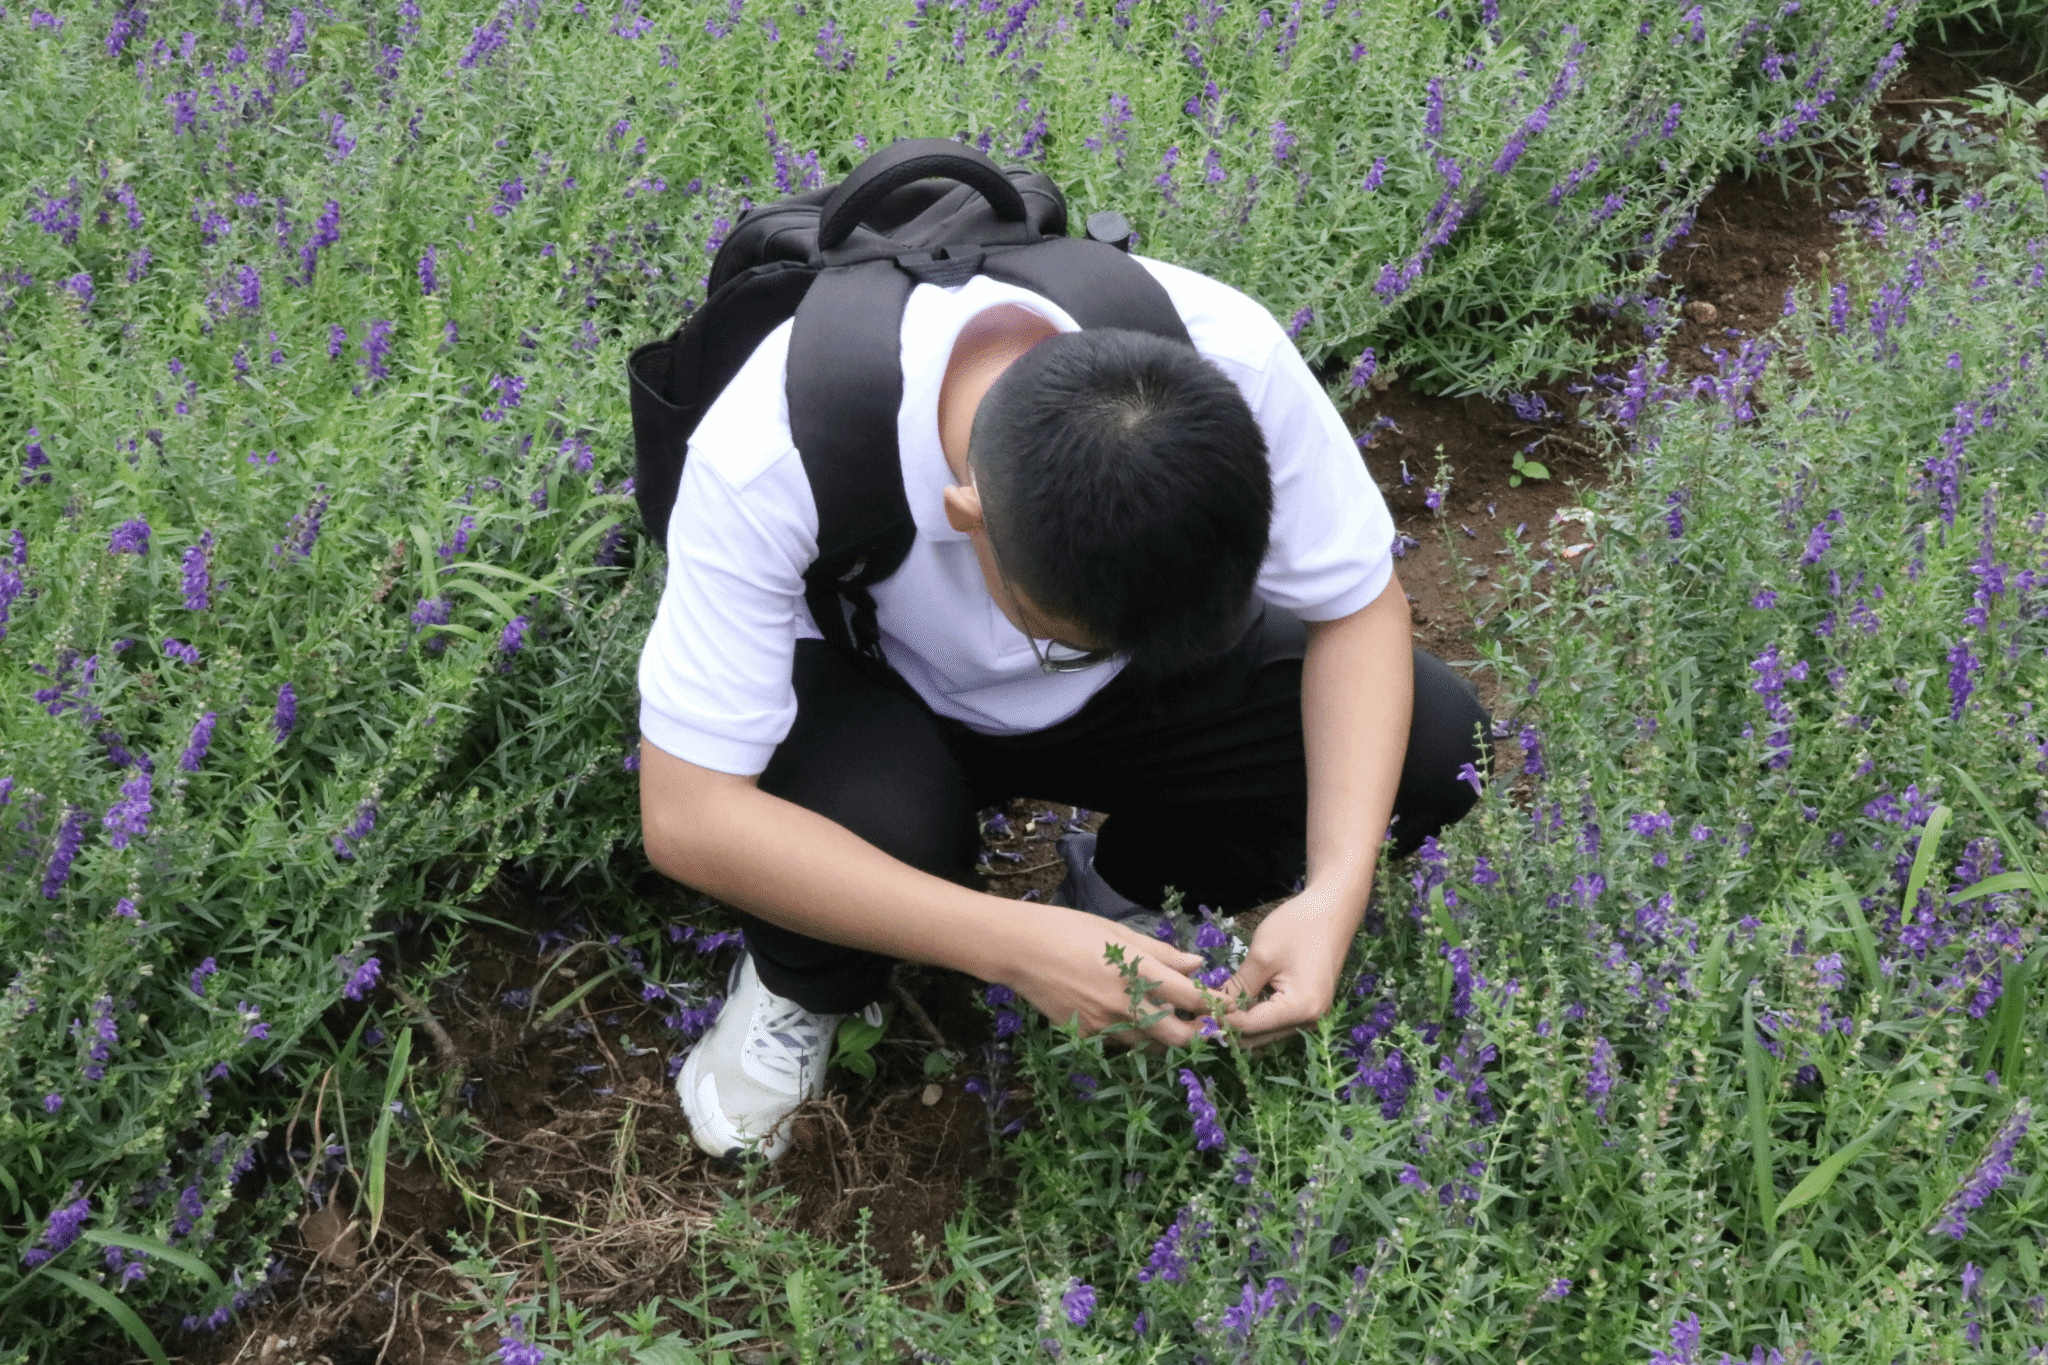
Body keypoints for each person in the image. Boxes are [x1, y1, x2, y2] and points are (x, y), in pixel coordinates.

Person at [635, 254, 1489, 1161]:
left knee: (1434, 744)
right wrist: (1014, 944)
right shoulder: (771, 449)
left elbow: (1358, 609)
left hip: (1128, 700)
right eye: (1070, 640)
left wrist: (1336, 887)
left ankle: (1122, 896)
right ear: (968, 515)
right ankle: (803, 983)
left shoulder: (1226, 356)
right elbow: (689, 813)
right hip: (871, 682)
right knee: (876, 820)